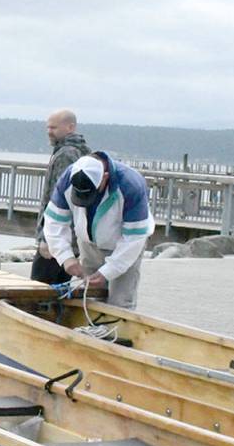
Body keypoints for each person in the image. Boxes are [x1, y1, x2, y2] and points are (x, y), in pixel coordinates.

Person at [43, 152, 154, 309]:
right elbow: (54, 221)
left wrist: (108, 272)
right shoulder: (68, 178)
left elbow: (134, 238)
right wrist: (66, 257)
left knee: (120, 302)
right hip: (88, 243)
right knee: (90, 298)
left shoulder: (131, 185)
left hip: (126, 244)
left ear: (105, 177)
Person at [31, 109, 91, 284]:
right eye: (48, 127)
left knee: (38, 287)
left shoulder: (66, 155)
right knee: (60, 286)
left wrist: (46, 238)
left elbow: (59, 199)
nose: (49, 131)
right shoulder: (82, 151)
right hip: (71, 237)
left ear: (70, 127)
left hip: (57, 236)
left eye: (54, 128)